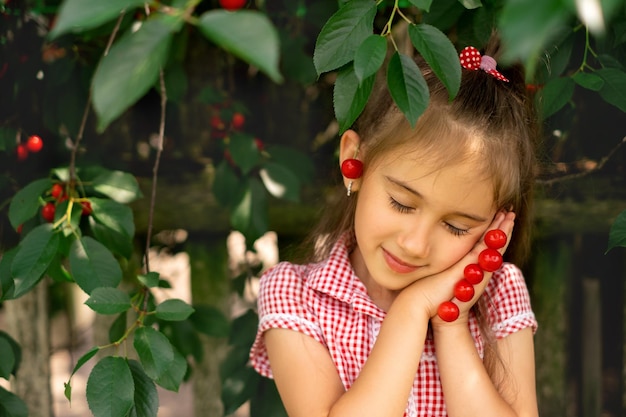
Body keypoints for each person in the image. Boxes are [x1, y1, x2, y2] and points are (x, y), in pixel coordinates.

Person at [249, 35, 539, 417]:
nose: (415, 244)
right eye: (402, 203)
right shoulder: (295, 297)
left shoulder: (499, 295)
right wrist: (412, 310)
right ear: (355, 160)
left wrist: (453, 326)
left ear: (493, 224)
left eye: (455, 227)